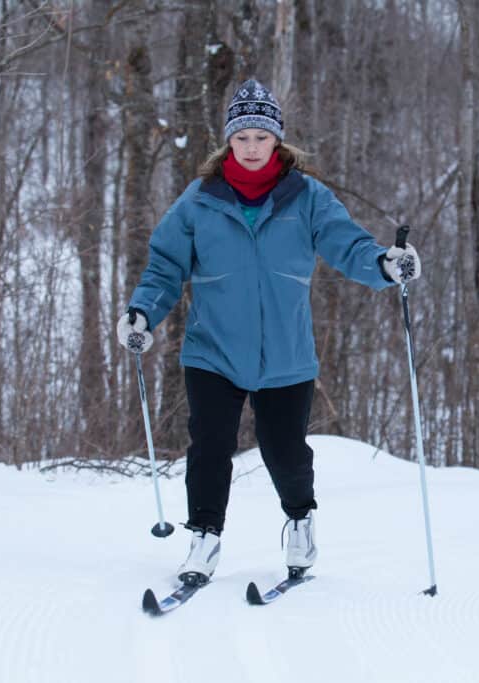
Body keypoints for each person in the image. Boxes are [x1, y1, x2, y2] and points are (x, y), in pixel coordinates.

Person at [116, 79, 421, 584]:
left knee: (286, 451)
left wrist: (386, 265)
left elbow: (349, 245)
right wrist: (142, 313)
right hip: (213, 350)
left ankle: (300, 521)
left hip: (285, 352)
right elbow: (165, 267)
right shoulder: (199, 201)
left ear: (277, 140)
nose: (252, 147)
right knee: (209, 445)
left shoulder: (307, 197)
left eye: (261, 137)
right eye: (242, 138)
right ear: (228, 142)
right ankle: (204, 538)